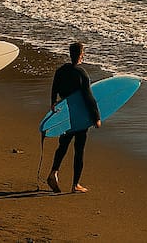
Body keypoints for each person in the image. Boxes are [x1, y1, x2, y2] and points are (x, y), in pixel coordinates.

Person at [46, 41, 100, 193]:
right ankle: (75, 184)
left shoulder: (61, 71)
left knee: (63, 145)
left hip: (66, 113)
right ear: (81, 55)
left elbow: (54, 88)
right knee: (79, 149)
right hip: (80, 115)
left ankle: (53, 172)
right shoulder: (81, 73)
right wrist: (96, 117)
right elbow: (88, 97)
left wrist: (53, 102)